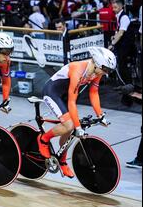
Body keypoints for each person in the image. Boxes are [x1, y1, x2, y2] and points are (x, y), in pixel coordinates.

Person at [37, 47, 117, 178]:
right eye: (105, 69)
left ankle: (62, 161)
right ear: (97, 62)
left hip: (65, 95)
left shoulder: (97, 71)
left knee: (69, 131)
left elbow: (94, 92)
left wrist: (100, 115)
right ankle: (43, 139)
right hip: (52, 92)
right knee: (70, 125)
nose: (105, 73)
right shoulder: (78, 69)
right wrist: (78, 126)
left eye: (108, 71)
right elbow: (72, 102)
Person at [110, 0, 134, 86]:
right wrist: (114, 37)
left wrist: (112, 44)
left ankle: (128, 85)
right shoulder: (118, 16)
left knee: (123, 65)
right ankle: (124, 85)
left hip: (127, 46)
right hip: (122, 45)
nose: (113, 9)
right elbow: (118, 32)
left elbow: (121, 33)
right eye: (113, 8)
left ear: (121, 7)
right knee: (120, 64)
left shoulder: (124, 17)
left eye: (115, 7)